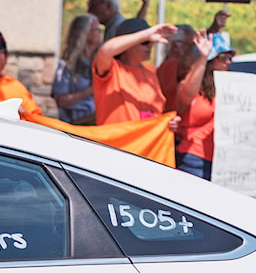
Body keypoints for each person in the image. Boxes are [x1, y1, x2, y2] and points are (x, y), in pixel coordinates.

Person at [91, 17, 177, 125]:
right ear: (128, 45)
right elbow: (105, 50)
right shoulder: (112, 69)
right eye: (145, 42)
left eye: (151, 41)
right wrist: (145, 34)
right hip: (115, 140)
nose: (150, 45)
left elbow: (156, 113)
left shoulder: (151, 73)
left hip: (144, 140)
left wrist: (168, 123)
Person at [175, 34, 233, 180]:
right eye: (222, 57)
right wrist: (202, 57)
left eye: (230, 57)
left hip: (220, 161)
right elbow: (187, 93)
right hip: (192, 159)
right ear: (210, 61)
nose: (227, 62)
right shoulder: (191, 87)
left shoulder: (226, 89)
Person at [51, 14, 101, 125]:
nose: (100, 33)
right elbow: (61, 101)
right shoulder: (67, 65)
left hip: (98, 124)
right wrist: (90, 90)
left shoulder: (101, 61)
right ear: (85, 33)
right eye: (96, 29)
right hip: (76, 124)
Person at [156, 24, 196, 112]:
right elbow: (185, 63)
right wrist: (213, 29)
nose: (195, 49)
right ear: (175, 46)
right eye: (192, 45)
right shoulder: (169, 67)